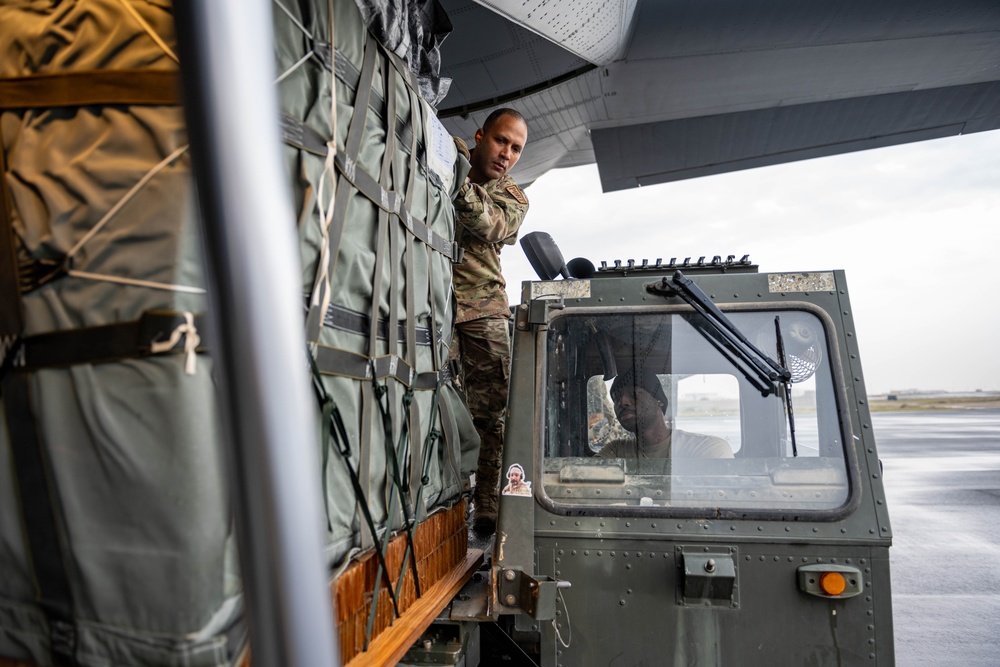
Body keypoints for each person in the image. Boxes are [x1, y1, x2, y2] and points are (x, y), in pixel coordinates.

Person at [451, 108, 529, 535]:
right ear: (481, 135)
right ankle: (445, 501)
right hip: (437, 309)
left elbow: (488, 223)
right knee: (437, 404)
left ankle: (486, 505)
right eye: (501, 141)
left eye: (516, 148)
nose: (507, 154)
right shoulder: (449, 159)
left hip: (484, 311)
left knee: (492, 416)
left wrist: (454, 176)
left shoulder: (514, 197)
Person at [598, 367, 733, 459]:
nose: (622, 402)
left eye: (634, 394)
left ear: (659, 401)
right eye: (616, 398)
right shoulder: (616, 451)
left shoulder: (707, 448)